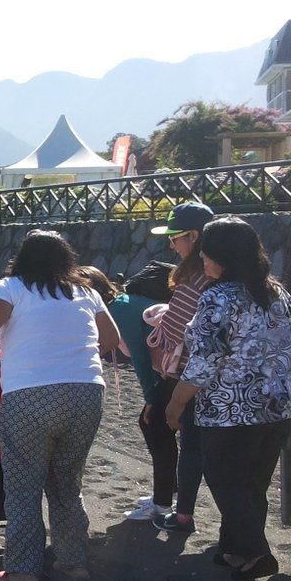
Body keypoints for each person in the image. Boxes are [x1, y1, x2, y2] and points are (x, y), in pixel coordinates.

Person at [0, 230, 121, 581]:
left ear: (22, 257)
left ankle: (23, 571)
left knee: (23, 484)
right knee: (67, 482)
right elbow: (111, 339)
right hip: (86, 393)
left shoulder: (11, 287)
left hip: (30, 394)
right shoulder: (85, 291)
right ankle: (73, 563)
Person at [167, 217, 291, 581]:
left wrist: (176, 403)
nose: (202, 261)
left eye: (206, 254)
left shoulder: (218, 296)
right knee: (252, 482)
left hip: (231, 409)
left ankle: (257, 552)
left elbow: (204, 361)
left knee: (223, 477)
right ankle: (235, 550)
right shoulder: (278, 292)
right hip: (278, 405)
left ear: (222, 256)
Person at [123, 202, 215, 533]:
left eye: (175, 237)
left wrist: (161, 321)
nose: (171, 245)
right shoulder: (218, 274)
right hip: (206, 376)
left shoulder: (195, 277)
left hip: (187, 375)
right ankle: (171, 503)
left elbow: (176, 332)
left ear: (193, 236)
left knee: (163, 429)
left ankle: (171, 507)